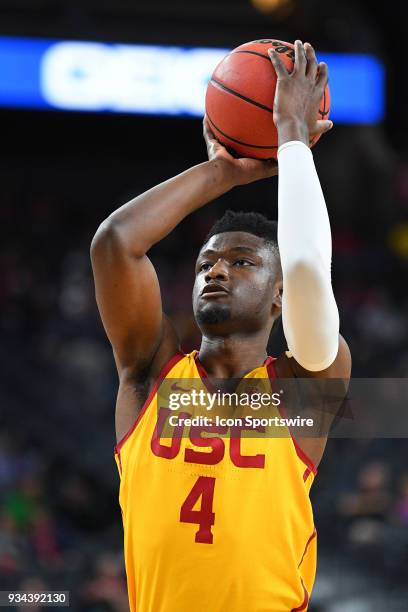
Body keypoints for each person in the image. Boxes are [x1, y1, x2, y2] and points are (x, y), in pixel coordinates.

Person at [90, 40, 352, 612]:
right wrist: (218, 173)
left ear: (279, 296)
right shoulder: (149, 376)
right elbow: (116, 244)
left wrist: (289, 136)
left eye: (242, 262)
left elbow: (308, 268)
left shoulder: (304, 388)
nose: (216, 272)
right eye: (207, 262)